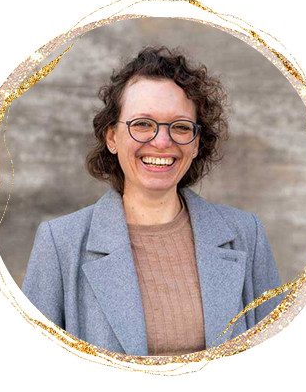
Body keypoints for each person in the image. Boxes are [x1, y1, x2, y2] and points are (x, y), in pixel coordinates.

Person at [22, 46, 282, 357]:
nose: (161, 141)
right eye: (142, 124)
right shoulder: (59, 244)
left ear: (196, 143)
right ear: (112, 138)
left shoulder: (247, 234)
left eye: (181, 127)